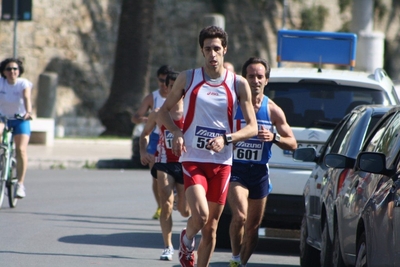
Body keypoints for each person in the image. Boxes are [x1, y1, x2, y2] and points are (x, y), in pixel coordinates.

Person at [158, 25, 258, 267]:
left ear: (225, 49)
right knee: (201, 215)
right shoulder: (188, 78)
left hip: (222, 162)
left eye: (216, 48)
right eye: (207, 49)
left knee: (212, 227)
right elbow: (163, 112)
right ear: (202, 51)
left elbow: (252, 127)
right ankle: (187, 237)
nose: (212, 54)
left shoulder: (238, 83)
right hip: (193, 159)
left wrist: (226, 139)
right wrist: (176, 131)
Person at [228, 57, 297, 267]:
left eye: (260, 76)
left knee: (252, 227)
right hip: (236, 169)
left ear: (266, 80)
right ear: (244, 79)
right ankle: (234, 257)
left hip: (259, 172)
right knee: (239, 216)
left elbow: (292, 143)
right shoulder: (231, 105)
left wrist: (274, 137)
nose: (255, 80)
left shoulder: (273, 110)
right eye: (251, 76)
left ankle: (242, 264)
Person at [139, 71, 191, 261]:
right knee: (166, 204)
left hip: (185, 165)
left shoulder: (192, 113)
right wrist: (143, 152)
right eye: (171, 85)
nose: (175, 89)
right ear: (167, 88)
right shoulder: (159, 113)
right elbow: (144, 134)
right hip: (164, 163)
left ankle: (182, 208)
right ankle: (168, 246)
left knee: (186, 211)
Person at [132, 64, 174, 220]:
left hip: (174, 138)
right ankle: (160, 206)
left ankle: (175, 197)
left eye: (166, 82)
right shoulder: (153, 97)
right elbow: (135, 117)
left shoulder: (178, 97)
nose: (163, 85)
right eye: (161, 81)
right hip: (156, 138)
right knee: (156, 176)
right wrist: (144, 119)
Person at [0, 58, 33, 198]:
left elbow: (26, 97)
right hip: (3, 118)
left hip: (20, 120)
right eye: (9, 69)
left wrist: (28, 112)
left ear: (19, 71)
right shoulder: (1, 83)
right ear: (3, 72)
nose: (12, 71)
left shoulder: (23, 83)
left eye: (15, 69)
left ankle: (20, 184)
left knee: (21, 150)